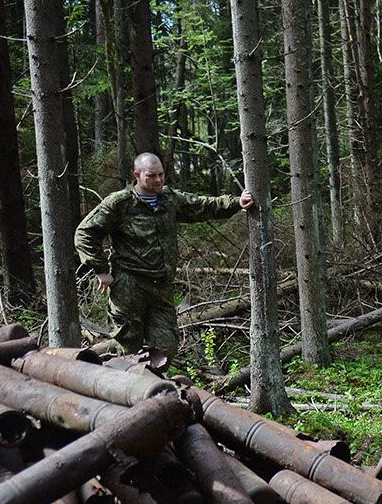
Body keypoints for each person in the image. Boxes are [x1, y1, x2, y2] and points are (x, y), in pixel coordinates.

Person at [75, 152, 255, 364]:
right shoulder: (120, 203)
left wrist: (237, 202)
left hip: (160, 286)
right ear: (137, 175)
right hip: (128, 284)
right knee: (127, 347)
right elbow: (85, 232)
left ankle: (153, 388)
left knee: (165, 347)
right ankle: (125, 391)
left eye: (161, 175)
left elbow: (201, 205)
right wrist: (100, 269)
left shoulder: (169, 199)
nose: (159, 180)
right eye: (152, 176)